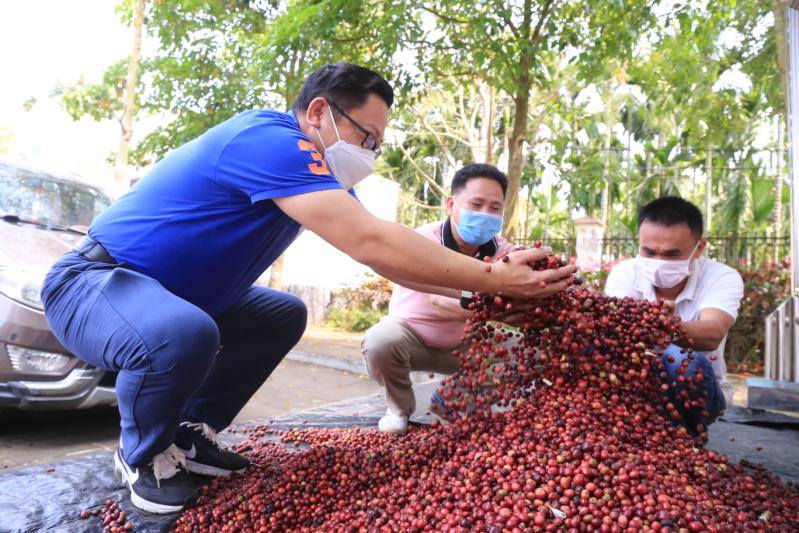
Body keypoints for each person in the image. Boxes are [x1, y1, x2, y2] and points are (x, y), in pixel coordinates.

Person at [41, 62, 576, 514]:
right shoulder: (272, 141)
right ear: (319, 111)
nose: (370, 152)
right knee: (183, 332)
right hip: (96, 283)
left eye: (378, 145)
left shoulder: (315, 174)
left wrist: (493, 290)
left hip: (177, 296)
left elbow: (396, 262)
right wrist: (494, 277)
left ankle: (190, 431)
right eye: (366, 137)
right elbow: (371, 241)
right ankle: (142, 454)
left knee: (281, 313)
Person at [362, 163, 527, 434]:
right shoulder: (424, 241)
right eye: (476, 204)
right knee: (380, 340)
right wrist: (500, 306)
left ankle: (454, 400)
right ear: (451, 205)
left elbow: (523, 289)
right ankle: (399, 408)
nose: (485, 214)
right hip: (411, 337)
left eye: (494, 208)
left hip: (466, 347)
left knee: (529, 351)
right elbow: (442, 303)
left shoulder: (503, 252)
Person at [604, 196, 743, 433]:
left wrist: (667, 326)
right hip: (636, 388)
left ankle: (683, 439)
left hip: (699, 392)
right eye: (649, 252)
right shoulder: (625, 274)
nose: (658, 262)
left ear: (699, 248)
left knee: (680, 358)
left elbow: (712, 333)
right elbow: (612, 331)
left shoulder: (722, 277)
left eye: (671, 255)